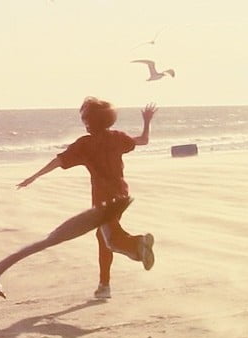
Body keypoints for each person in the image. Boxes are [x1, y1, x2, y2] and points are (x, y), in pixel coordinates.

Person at [17, 98, 157, 299]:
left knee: (111, 241)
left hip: (103, 201)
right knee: (103, 238)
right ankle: (104, 285)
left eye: (85, 119)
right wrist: (147, 121)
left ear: (90, 121)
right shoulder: (118, 138)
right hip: (122, 195)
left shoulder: (86, 144)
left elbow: (58, 161)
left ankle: (138, 244)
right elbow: (143, 140)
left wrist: (34, 177)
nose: (84, 122)